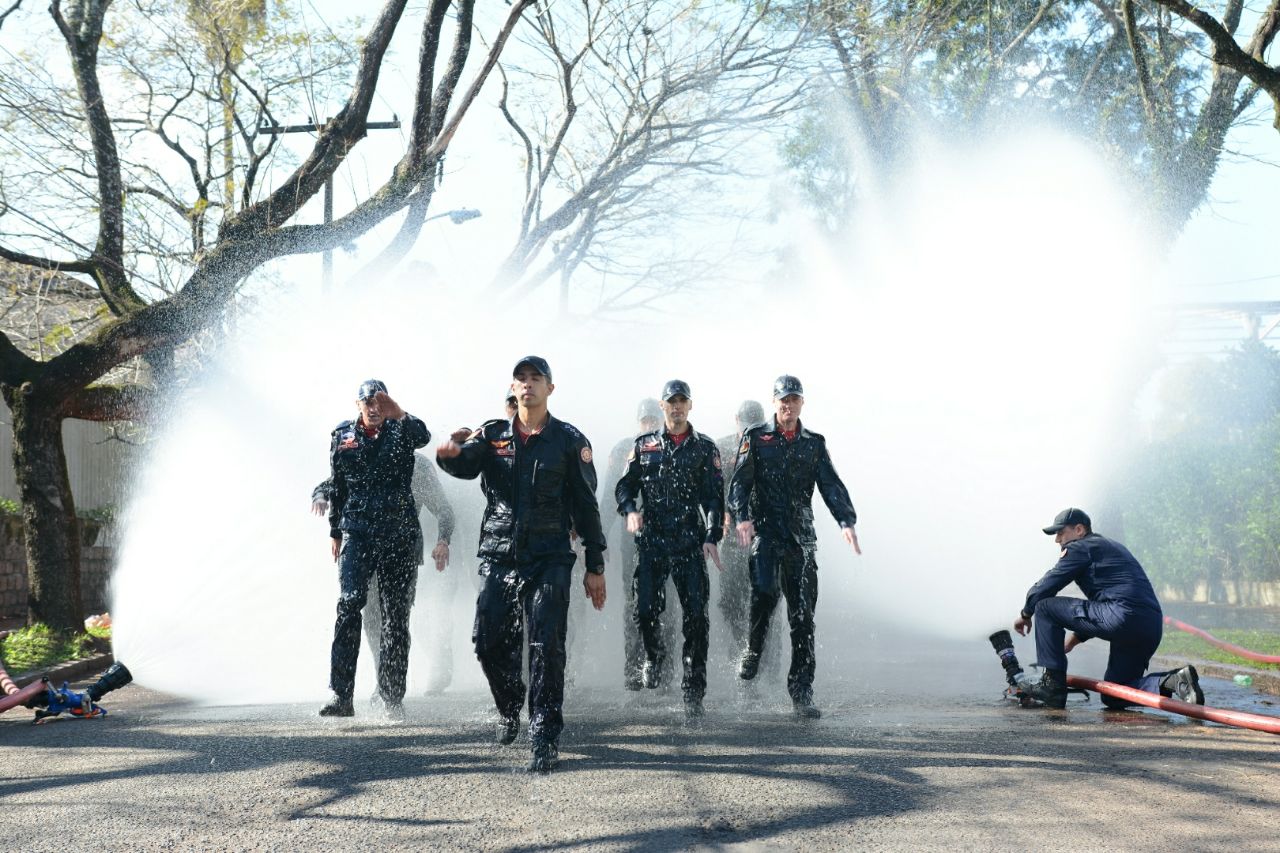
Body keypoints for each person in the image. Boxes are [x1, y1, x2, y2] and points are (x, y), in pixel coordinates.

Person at [437, 356, 607, 772]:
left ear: (550, 388)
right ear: (512, 389)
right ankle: (511, 705)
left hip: (550, 556)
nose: (527, 384)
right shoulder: (493, 435)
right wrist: (448, 452)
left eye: (535, 378)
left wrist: (595, 564)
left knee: (546, 644)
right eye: (521, 379)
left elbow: (587, 505)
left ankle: (544, 733)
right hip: (498, 552)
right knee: (487, 640)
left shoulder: (569, 440)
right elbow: (464, 465)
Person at [728, 375, 861, 719]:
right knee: (765, 594)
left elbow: (831, 485)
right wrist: (742, 517)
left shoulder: (813, 444)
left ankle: (802, 692)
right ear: (774, 403)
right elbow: (739, 484)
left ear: (802, 403)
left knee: (802, 618)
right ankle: (754, 649)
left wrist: (846, 521)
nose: (788, 406)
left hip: (801, 540)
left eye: (794, 400)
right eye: (782, 400)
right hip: (766, 535)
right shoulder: (757, 439)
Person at [1013, 508, 1203, 710]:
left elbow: (1046, 586)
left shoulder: (1080, 546)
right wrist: (1074, 641)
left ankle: (1051, 685)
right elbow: (1107, 602)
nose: (1057, 539)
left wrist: (1026, 614)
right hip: (1149, 626)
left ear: (1079, 529)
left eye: (1060, 532)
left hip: (1122, 617)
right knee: (1114, 694)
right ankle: (1173, 681)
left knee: (1044, 606)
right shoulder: (1108, 546)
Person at [321, 380, 431, 720]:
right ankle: (341, 696)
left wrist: (401, 413)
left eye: (379, 401)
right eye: (367, 401)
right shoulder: (343, 437)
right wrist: (334, 530)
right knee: (350, 603)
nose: (373, 407)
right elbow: (337, 485)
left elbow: (424, 436)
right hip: (358, 532)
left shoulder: (402, 430)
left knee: (395, 616)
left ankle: (391, 697)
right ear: (357, 405)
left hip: (398, 532)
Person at [615, 380, 724, 718]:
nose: (676, 407)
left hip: (689, 542)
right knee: (645, 611)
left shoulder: (705, 449)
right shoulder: (644, 446)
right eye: (670, 402)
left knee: (696, 618)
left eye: (682, 401)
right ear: (662, 407)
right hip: (652, 542)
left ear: (690, 406)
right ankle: (653, 655)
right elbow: (624, 487)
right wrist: (630, 511)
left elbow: (713, 497)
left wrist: (712, 534)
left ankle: (694, 690)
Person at [311, 454, 454, 699]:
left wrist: (443, 541)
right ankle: (382, 678)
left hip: (402, 550)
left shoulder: (417, 465)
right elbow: (331, 484)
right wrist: (322, 500)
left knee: (396, 619)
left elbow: (444, 509)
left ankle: (393, 685)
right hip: (366, 549)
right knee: (371, 616)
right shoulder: (365, 454)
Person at [602, 398, 678, 690]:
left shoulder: (671, 444)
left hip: (668, 537)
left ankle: (663, 668)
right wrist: (598, 539)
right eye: (644, 421)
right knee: (634, 603)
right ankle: (633, 670)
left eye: (652, 420)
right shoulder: (624, 449)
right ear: (638, 422)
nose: (649, 425)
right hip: (632, 539)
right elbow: (612, 493)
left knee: (667, 604)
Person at [715, 400, 766, 664]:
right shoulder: (721, 448)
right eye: (746, 425)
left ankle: (765, 660)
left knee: (764, 598)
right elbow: (712, 487)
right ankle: (740, 653)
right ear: (736, 420)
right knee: (731, 600)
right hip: (733, 535)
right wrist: (721, 513)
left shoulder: (770, 442)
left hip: (762, 534)